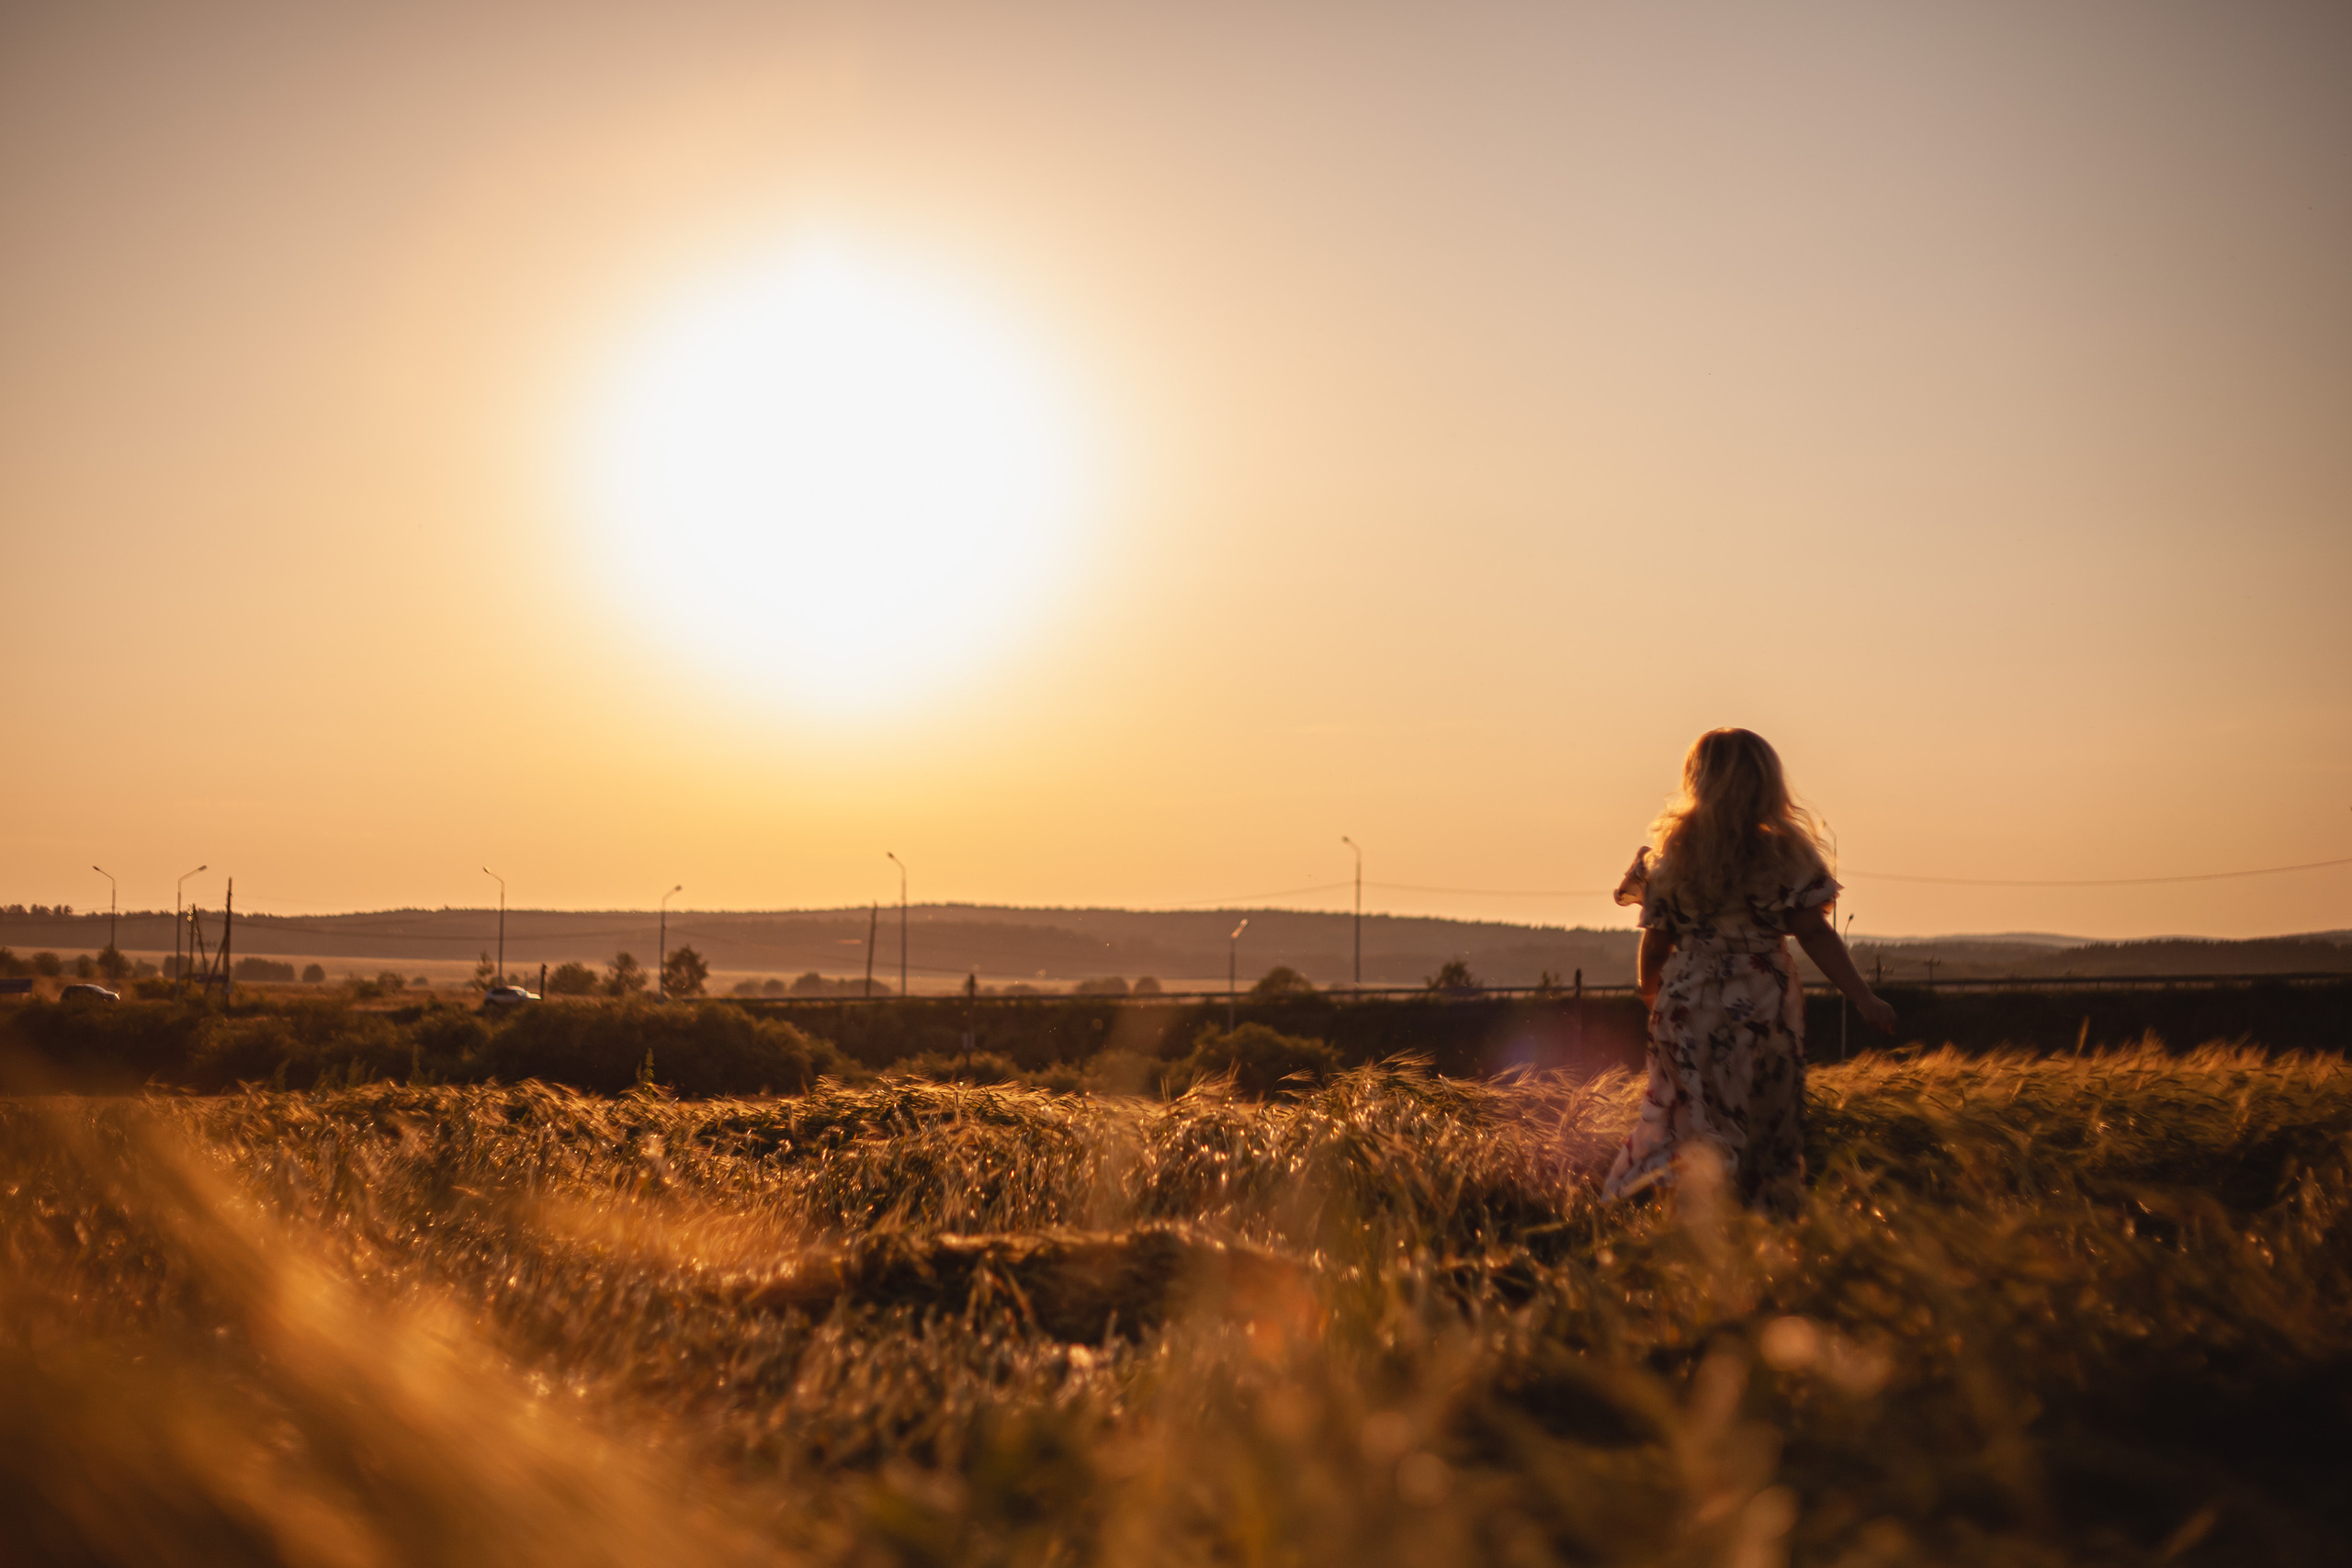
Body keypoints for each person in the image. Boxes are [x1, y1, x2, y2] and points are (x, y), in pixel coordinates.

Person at [1602, 728, 1895, 1215]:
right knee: (1761, 1115)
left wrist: (1652, 996)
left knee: (1686, 1113)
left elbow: (1655, 942)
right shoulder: (1785, 855)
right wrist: (1863, 997)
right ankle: (1756, 1216)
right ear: (1768, 783)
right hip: (1759, 1002)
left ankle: (1666, 1204)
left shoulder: (1670, 855)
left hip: (1687, 1000)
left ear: (1696, 780)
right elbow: (1816, 934)